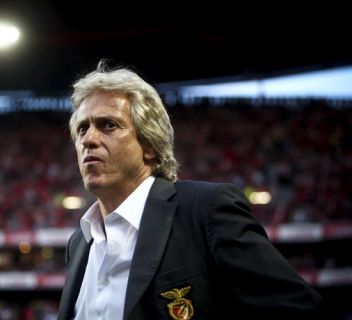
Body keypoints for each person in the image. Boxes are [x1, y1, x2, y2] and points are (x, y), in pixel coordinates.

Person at [57, 60, 322, 320]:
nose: (88, 139)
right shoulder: (79, 243)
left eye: (108, 125)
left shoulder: (206, 211)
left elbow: (299, 310)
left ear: (149, 145)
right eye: (82, 128)